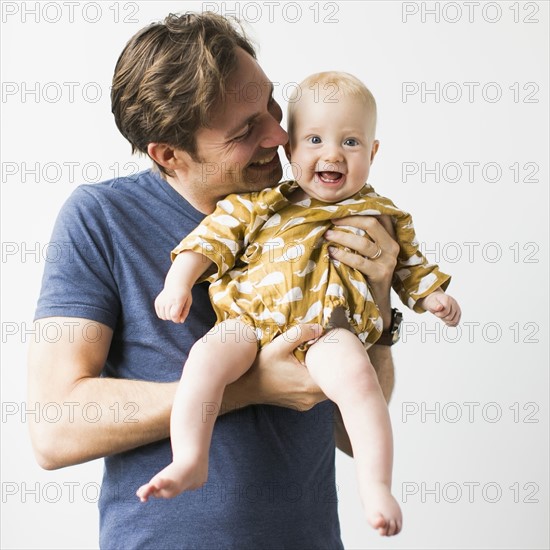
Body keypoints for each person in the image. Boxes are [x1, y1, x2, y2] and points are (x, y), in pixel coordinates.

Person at [28, 12, 402, 547]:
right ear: (168, 155)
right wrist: (249, 388)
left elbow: (350, 431)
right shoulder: (101, 218)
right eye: (245, 130)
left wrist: (379, 303)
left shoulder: (319, 209)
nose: (278, 134)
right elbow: (54, 429)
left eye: (271, 104)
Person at [136, 71, 461, 536]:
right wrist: (179, 282)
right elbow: (211, 239)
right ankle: (190, 457)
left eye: (350, 142)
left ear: (372, 153)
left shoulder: (382, 216)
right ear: (290, 151)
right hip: (249, 319)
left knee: (357, 380)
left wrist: (434, 297)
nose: (332, 153)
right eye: (314, 139)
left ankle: (375, 485)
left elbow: (411, 265)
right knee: (204, 360)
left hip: (327, 328)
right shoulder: (263, 202)